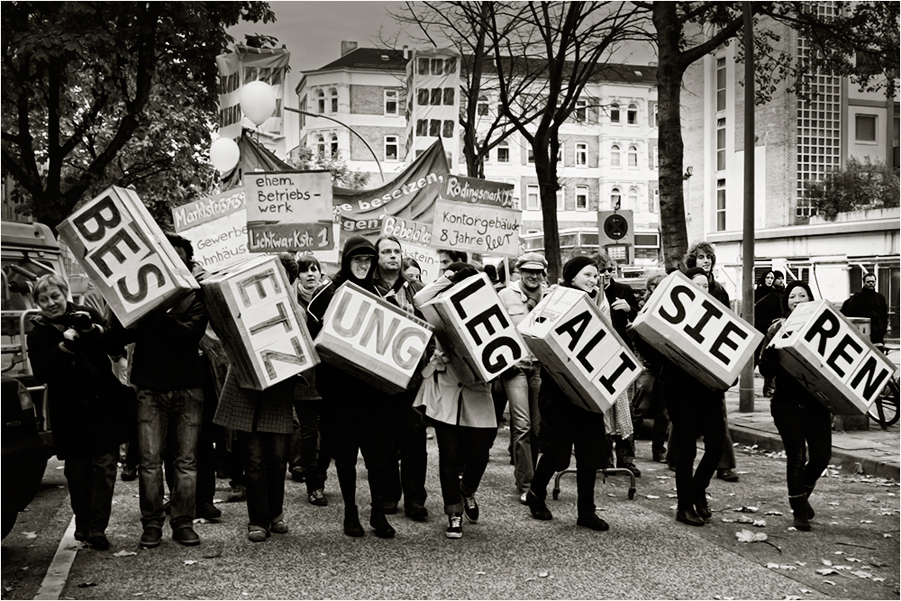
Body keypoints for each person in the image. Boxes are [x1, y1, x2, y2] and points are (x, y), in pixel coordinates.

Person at [112, 233, 207, 548]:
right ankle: (151, 524)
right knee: (150, 462)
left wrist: (157, 313)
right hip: (151, 389)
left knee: (186, 462)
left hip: (188, 390)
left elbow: (188, 336)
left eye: (181, 258)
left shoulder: (197, 297)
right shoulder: (138, 294)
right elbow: (123, 332)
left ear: (188, 264)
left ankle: (183, 523)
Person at [28, 274, 128, 550]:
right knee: (79, 472)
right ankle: (83, 523)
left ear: (65, 294)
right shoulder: (37, 334)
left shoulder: (87, 315)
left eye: (55, 296)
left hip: (101, 406)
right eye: (44, 299)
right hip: (69, 412)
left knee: (105, 468)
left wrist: (92, 331)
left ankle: (97, 528)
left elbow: (115, 347)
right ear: (37, 303)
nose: (51, 303)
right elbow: (44, 372)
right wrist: (64, 345)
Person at [307, 236, 397, 539]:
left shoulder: (382, 294)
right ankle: (350, 512)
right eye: (358, 259)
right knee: (344, 455)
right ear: (347, 260)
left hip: (374, 393)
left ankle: (377, 512)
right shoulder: (328, 292)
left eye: (369, 260)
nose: (364, 264)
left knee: (379, 456)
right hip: (339, 392)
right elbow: (310, 332)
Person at [524, 256, 611, 532]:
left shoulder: (599, 304)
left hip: (587, 389)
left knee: (589, 451)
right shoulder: (554, 300)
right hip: (558, 389)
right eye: (587, 274)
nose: (593, 280)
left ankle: (586, 510)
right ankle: (536, 493)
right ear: (571, 277)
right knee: (556, 450)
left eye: (596, 276)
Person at [413, 262, 496, 539]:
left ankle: (467, 491)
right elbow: (419, 299)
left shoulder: (488, 305)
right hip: (447, 388)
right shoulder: (439, 306)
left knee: (480, 454)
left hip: (477, 388)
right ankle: (454, 513)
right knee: (448, 455)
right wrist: (448, 277)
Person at [639, 267, 727, 527]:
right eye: (696, 285)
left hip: (709, 390)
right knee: (687, 448)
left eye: (706, 285)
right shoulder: (670, 319)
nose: (702, 290)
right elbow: (649, 350)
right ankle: (684, 506)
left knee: (716, 445)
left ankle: (697, 489)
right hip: (679, 390)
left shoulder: (717, 319)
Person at [758, 280, 831, 531]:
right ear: (786, 302)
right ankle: (799, 510)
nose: (797, 299)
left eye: (802, 295)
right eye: (792, 296)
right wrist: (769, 353)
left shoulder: (825, 327)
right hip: (786, 403)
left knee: (822, 456)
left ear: (811, 298)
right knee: (797, 456)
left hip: (817, 403)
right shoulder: (776, 328)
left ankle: (801, 495)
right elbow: (765, 369)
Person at [373, 235, 429, 521]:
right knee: (383, 441)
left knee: (415, 439)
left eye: (396, 251)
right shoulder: (368, 288)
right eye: (386, 252)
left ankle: (415, 499)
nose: (392, 256)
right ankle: (388, 496)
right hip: (379, 380)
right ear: (377, 257)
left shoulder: (418, 290)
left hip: (412, 380)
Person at [213, 368, 294, 542]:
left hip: (277, 386)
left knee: (278, 459)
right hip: (247, 388)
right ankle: (258, 520)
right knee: (254, 461)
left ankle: (275, 512)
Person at [682, 242, 739, 483]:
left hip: (712, 357)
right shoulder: (681, 288)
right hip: (687, 360)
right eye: (701, 257)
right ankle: (678, 458)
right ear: (692, 261)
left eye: (709, 257)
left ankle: (724, 464)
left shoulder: (718, 290)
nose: (706, 261)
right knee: (684, 419)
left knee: (719, 415)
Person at [497, 252, 547, 504]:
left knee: (538, 427)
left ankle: (536, 479)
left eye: (538, 272)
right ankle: (526, 483)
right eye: (529, 271)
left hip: (540, 367)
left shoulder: (550, 296)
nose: (534, 276)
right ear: (519, 271)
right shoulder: (505, 295)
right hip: (515, 368)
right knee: (522, 425)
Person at [594, 251, 641, 477]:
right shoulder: (591, 293)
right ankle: (604, 458)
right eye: (602, 271)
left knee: (625, 409)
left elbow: (640, 315)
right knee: (602, 408)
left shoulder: (623, 290)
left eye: (610, 270)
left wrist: (629, 309)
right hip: (598, 356)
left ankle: (627, 459)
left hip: (621, 354)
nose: (606, 274)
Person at [291, 256, 331, 507]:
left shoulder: (330, 297)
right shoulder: (291, 301)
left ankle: (320, 471)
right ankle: (313, 484)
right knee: (308, 431)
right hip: (304, 378)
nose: (310, 275)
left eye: (314, 269)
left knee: (328, 433)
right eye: (304, 271)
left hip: (328, 376)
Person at [631, 273, 669, 462]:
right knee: (640, 407)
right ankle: (628, 448)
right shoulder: (644, 307)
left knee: (663, 412)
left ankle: (659, 449)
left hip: (664, 366)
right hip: (647, 365)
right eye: (653, 286)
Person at [754, 270, 783, 398]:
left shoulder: (775, 297)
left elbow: (778, 315)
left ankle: (768, 388)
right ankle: (746, 384)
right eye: (768, 277)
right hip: (756, 330)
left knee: (768, 358)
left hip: (768, 332)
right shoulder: (755, 294)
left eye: (772, 278)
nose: (770, 280)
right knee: (753, 359)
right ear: (763, 279)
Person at [841, 272, 889, 345]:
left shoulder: (880, 298)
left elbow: (884, 316)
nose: (870, 283)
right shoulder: (857, 298)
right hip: (862, 334)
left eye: (872, 281)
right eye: (868, 282)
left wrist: (882, 330)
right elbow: (849, 313)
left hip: (877, 336)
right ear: (864, 283)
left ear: (875, 282)